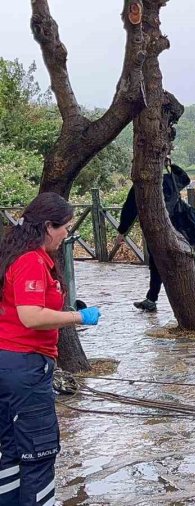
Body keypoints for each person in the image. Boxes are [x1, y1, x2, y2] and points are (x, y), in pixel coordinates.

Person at [0, 193, 101, 506]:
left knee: (11, 450)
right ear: (47, 226)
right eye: (65, 227)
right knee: (38, 452)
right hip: (25, 367)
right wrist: (78, 317)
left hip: (8, 363)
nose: (67, 234)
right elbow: (31, 316)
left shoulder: (11, 253)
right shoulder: (30, 260)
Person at [115, 161, 192, 312]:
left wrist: (122, 231)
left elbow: (129, 209)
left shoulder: (140, 187)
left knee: (156, 265)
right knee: (175, 263)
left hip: (155, 231)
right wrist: (171, 165)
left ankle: (153, 299)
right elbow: (185, 178)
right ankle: (161, 299)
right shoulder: (169, 180)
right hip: (178, 229)